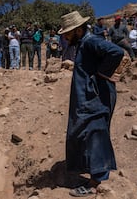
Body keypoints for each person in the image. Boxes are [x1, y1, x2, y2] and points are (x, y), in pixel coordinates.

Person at [58, 11, 124, 197]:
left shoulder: (90, 41)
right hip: (89, 98)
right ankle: (92, 172)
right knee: (85, 133)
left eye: (68, 33)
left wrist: (101, 75)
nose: (65, 37)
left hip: (96, 98)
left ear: (78, 30)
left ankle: (95, 182)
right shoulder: (83, 43)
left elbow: (116, 52)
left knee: (96, 134)